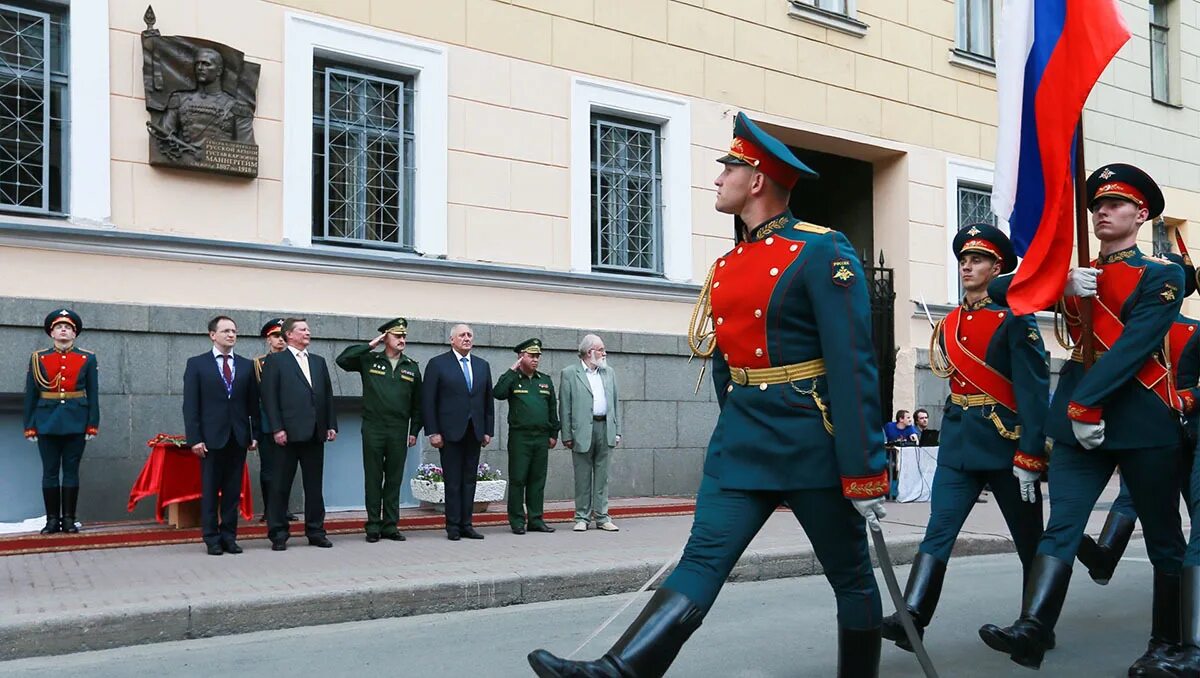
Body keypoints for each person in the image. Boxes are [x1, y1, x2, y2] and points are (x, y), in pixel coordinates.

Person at [528, 112, 888, 678]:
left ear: (758, 180)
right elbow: (725, 365)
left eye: (729, 169)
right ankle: (620, 671)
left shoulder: (823, 251)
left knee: (850, 575)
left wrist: (866, 469)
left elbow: (852, 363)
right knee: (702, 558)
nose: (718, 180)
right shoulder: (727, 264)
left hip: (808, 442)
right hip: (744, 441)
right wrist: (735, 426)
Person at [979, 164, 1187, 674]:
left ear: (1141, 215)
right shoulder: (1075, 273)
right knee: (1062, 526)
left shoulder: (1162, 274)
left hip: (1140, 418)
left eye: (1115, 205)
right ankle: (1034, 627)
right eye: (1096, 205)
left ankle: (1167, 643)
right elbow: (1004, 289)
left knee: (1163, 536)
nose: (1101, 212)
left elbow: (1134, 349)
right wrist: (1058, 280)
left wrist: (1083, 404)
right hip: (1077, 423)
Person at [880, 224, 1048, 652]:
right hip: (959, 444)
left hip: (1006, 445)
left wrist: (1031, 453)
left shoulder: (1015, 319)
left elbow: (1032, 391)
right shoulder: (951, 322)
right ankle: (912, 616)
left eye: (978, 260)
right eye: (964, 260)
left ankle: (1036, 625)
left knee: (1030, 540)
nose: (968, 266)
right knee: (938, 531)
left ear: (998, 267)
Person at [1075, 251, 1199, 587]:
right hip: (1146, 426)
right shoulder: (1129, 326)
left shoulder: (1194, 330)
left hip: (1186, 430)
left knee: (1191, 502)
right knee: (1133, 495)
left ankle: (1188, 578)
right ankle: (1106, 554)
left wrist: (1185, 400)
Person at [336, 317, 423, 543]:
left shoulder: (411, 367)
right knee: (373, 478)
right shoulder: (370, 360)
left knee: (394, 479)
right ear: (386, 338)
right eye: (397, 336)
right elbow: (343, 359)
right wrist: (371, 344)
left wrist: (414, 430)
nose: (402, 339)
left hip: (398, 429)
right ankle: (373, 525)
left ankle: (390, 525)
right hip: (374, 427)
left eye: (404, 336)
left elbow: (418, 404)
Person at [182, 316, 259, 556]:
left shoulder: (246, 365)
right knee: (210, 489)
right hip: (210, 438)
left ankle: (229, 536)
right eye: (225, 331)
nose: (231, 335)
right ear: (212, 335)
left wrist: (253, 433)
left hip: (237, 437)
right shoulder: (197, 364)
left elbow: (253, 405)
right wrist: (194, 438)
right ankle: (211, 538)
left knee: (232, 492)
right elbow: (191, 405)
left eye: (234, 331)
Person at [260, 318, 338, 550]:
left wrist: (330, 424)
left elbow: (327, 395)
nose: (308, 332)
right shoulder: (276, 361)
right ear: (289, 335)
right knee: (280, 485)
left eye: (308, 329)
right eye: (302, 329)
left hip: (315, 433)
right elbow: (269, 398)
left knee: (314, 486)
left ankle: (316, 531)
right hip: (287, 434)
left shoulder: (318, 361)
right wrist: (277, 428)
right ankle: (279, 533)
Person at [23, 309, 99, 535]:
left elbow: (93, 393)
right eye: (59, 327)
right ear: (51, 333)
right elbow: (31, 394)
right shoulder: (39, 358)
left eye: (68, 327)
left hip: (77, 420)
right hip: (46, 420)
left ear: (74, 334)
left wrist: (92, 423)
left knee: (71, 471)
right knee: (50, 472)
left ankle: (68, 519)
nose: (63, 330)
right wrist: (29, 425)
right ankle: (52, 520)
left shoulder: (87, 357)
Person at [420, 324, 494, 541]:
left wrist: (488, 430)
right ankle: (452, 526)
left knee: (470, 480)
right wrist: (433, 431)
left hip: (474, 431)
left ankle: (467, 524)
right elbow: (428, 401)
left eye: (470, 335)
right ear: (452, 340)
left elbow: (487, 401)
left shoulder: (482, 365)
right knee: (452, 480)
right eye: (462, 335)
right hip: (449, 432)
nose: (467, 338)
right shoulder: (438, 364)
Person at [493, 338, 559, 535]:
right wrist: (512, 370)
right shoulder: (513, 379)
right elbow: (498, 392)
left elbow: (552, 409)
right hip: (520, 437)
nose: (536, 359)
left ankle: (536, 519)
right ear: (521, 356)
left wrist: (553, 433)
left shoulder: (544, 380)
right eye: (531, 356)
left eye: (538, 356)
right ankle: (517, 521)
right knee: (518, 479)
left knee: (537, 480)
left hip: (541, 437)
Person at [558, 334, 622, 532]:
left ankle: (602, 517)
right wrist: (566, 435)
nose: (604, 353)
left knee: (603, 476)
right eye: (601, 350)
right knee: (583, 476)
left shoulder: (608, 372)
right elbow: (565, 406)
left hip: (605, 427)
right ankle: (582, 517)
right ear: (589, 352)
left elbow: (615, 403)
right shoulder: (570, 373)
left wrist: (617, 430)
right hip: (582, 430)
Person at [253, 317, 295, 523]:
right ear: (268, 340)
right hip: (267, 424)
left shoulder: (295, 360)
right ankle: (270, 509)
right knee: (269, 469)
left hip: (290, 423)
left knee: (286, 468)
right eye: (275, 336)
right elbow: (256, 397)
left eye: (283, 336)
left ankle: (283, 509)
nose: (280, 340)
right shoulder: (259, 363)